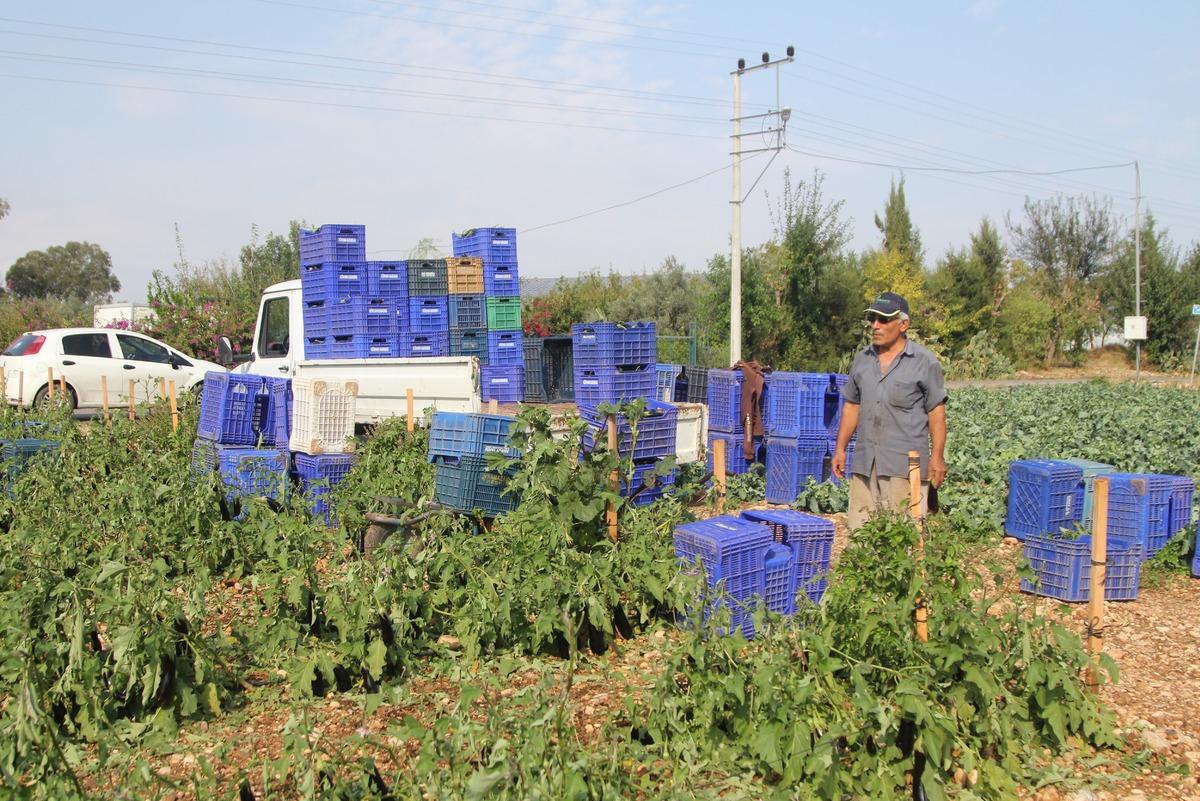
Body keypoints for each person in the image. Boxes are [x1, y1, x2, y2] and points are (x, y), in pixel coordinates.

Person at [831, 291, 947, 531]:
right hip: (865, 462)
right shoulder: (862, 359)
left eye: (884, 320)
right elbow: (852, 406)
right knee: (861, 533)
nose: (875, 325)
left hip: (903, 466)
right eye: (873, 319)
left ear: (903, 324)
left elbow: (936, 413)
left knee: (903, 537)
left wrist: (937, 458)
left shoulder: (924, 362)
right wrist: (840, 449)